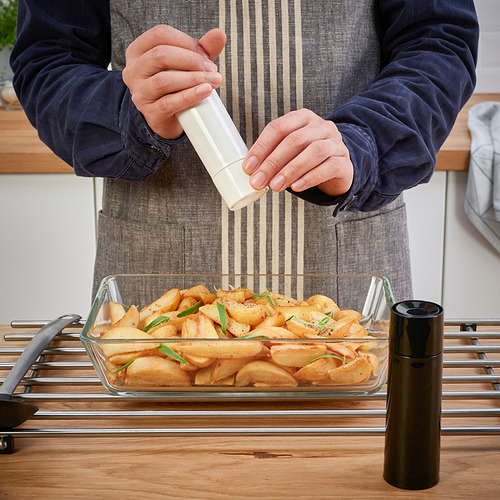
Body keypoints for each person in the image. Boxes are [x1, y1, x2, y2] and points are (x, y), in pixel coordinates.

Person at [11, 1, 478, 306]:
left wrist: (365, 141)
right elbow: (49, 62)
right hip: (155, 275)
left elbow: (439, 41)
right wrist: (130, 112)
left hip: (349, 271)